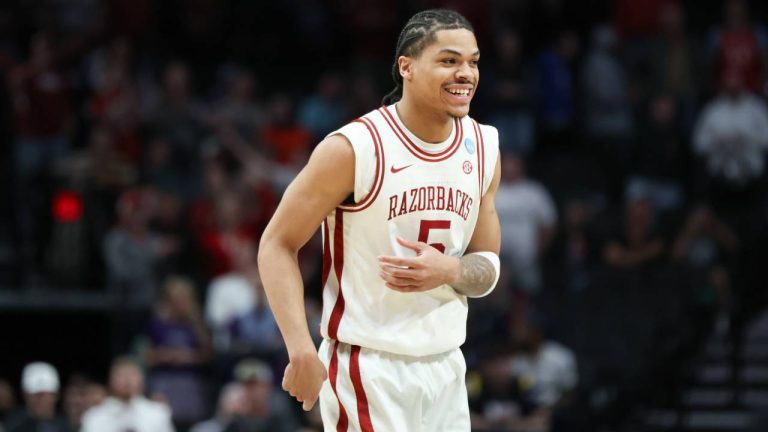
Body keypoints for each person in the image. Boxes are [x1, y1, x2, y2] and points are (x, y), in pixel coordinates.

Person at [258, 9, 501, 431]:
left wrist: (452, 269)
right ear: (406, 66)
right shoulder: (354, 147)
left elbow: (487, 269)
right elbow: (277, 243)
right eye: (449, 61)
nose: (465, 73)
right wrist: (300, 349)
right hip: (368, 367)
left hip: (446, 367)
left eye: (473, 61)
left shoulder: (483, 147)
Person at [80, 357, 174, 432]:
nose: (127, 380)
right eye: (121, 375)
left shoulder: (158, 413)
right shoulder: (94, 416)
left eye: (132, 374)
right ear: (111, 381)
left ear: (141, 380)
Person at [5, 362, 70, 432]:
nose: (40, 400)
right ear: (24, 395)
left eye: (45, 394)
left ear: (56, 395)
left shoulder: (68, 425)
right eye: (35, 395)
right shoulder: (12, 425)